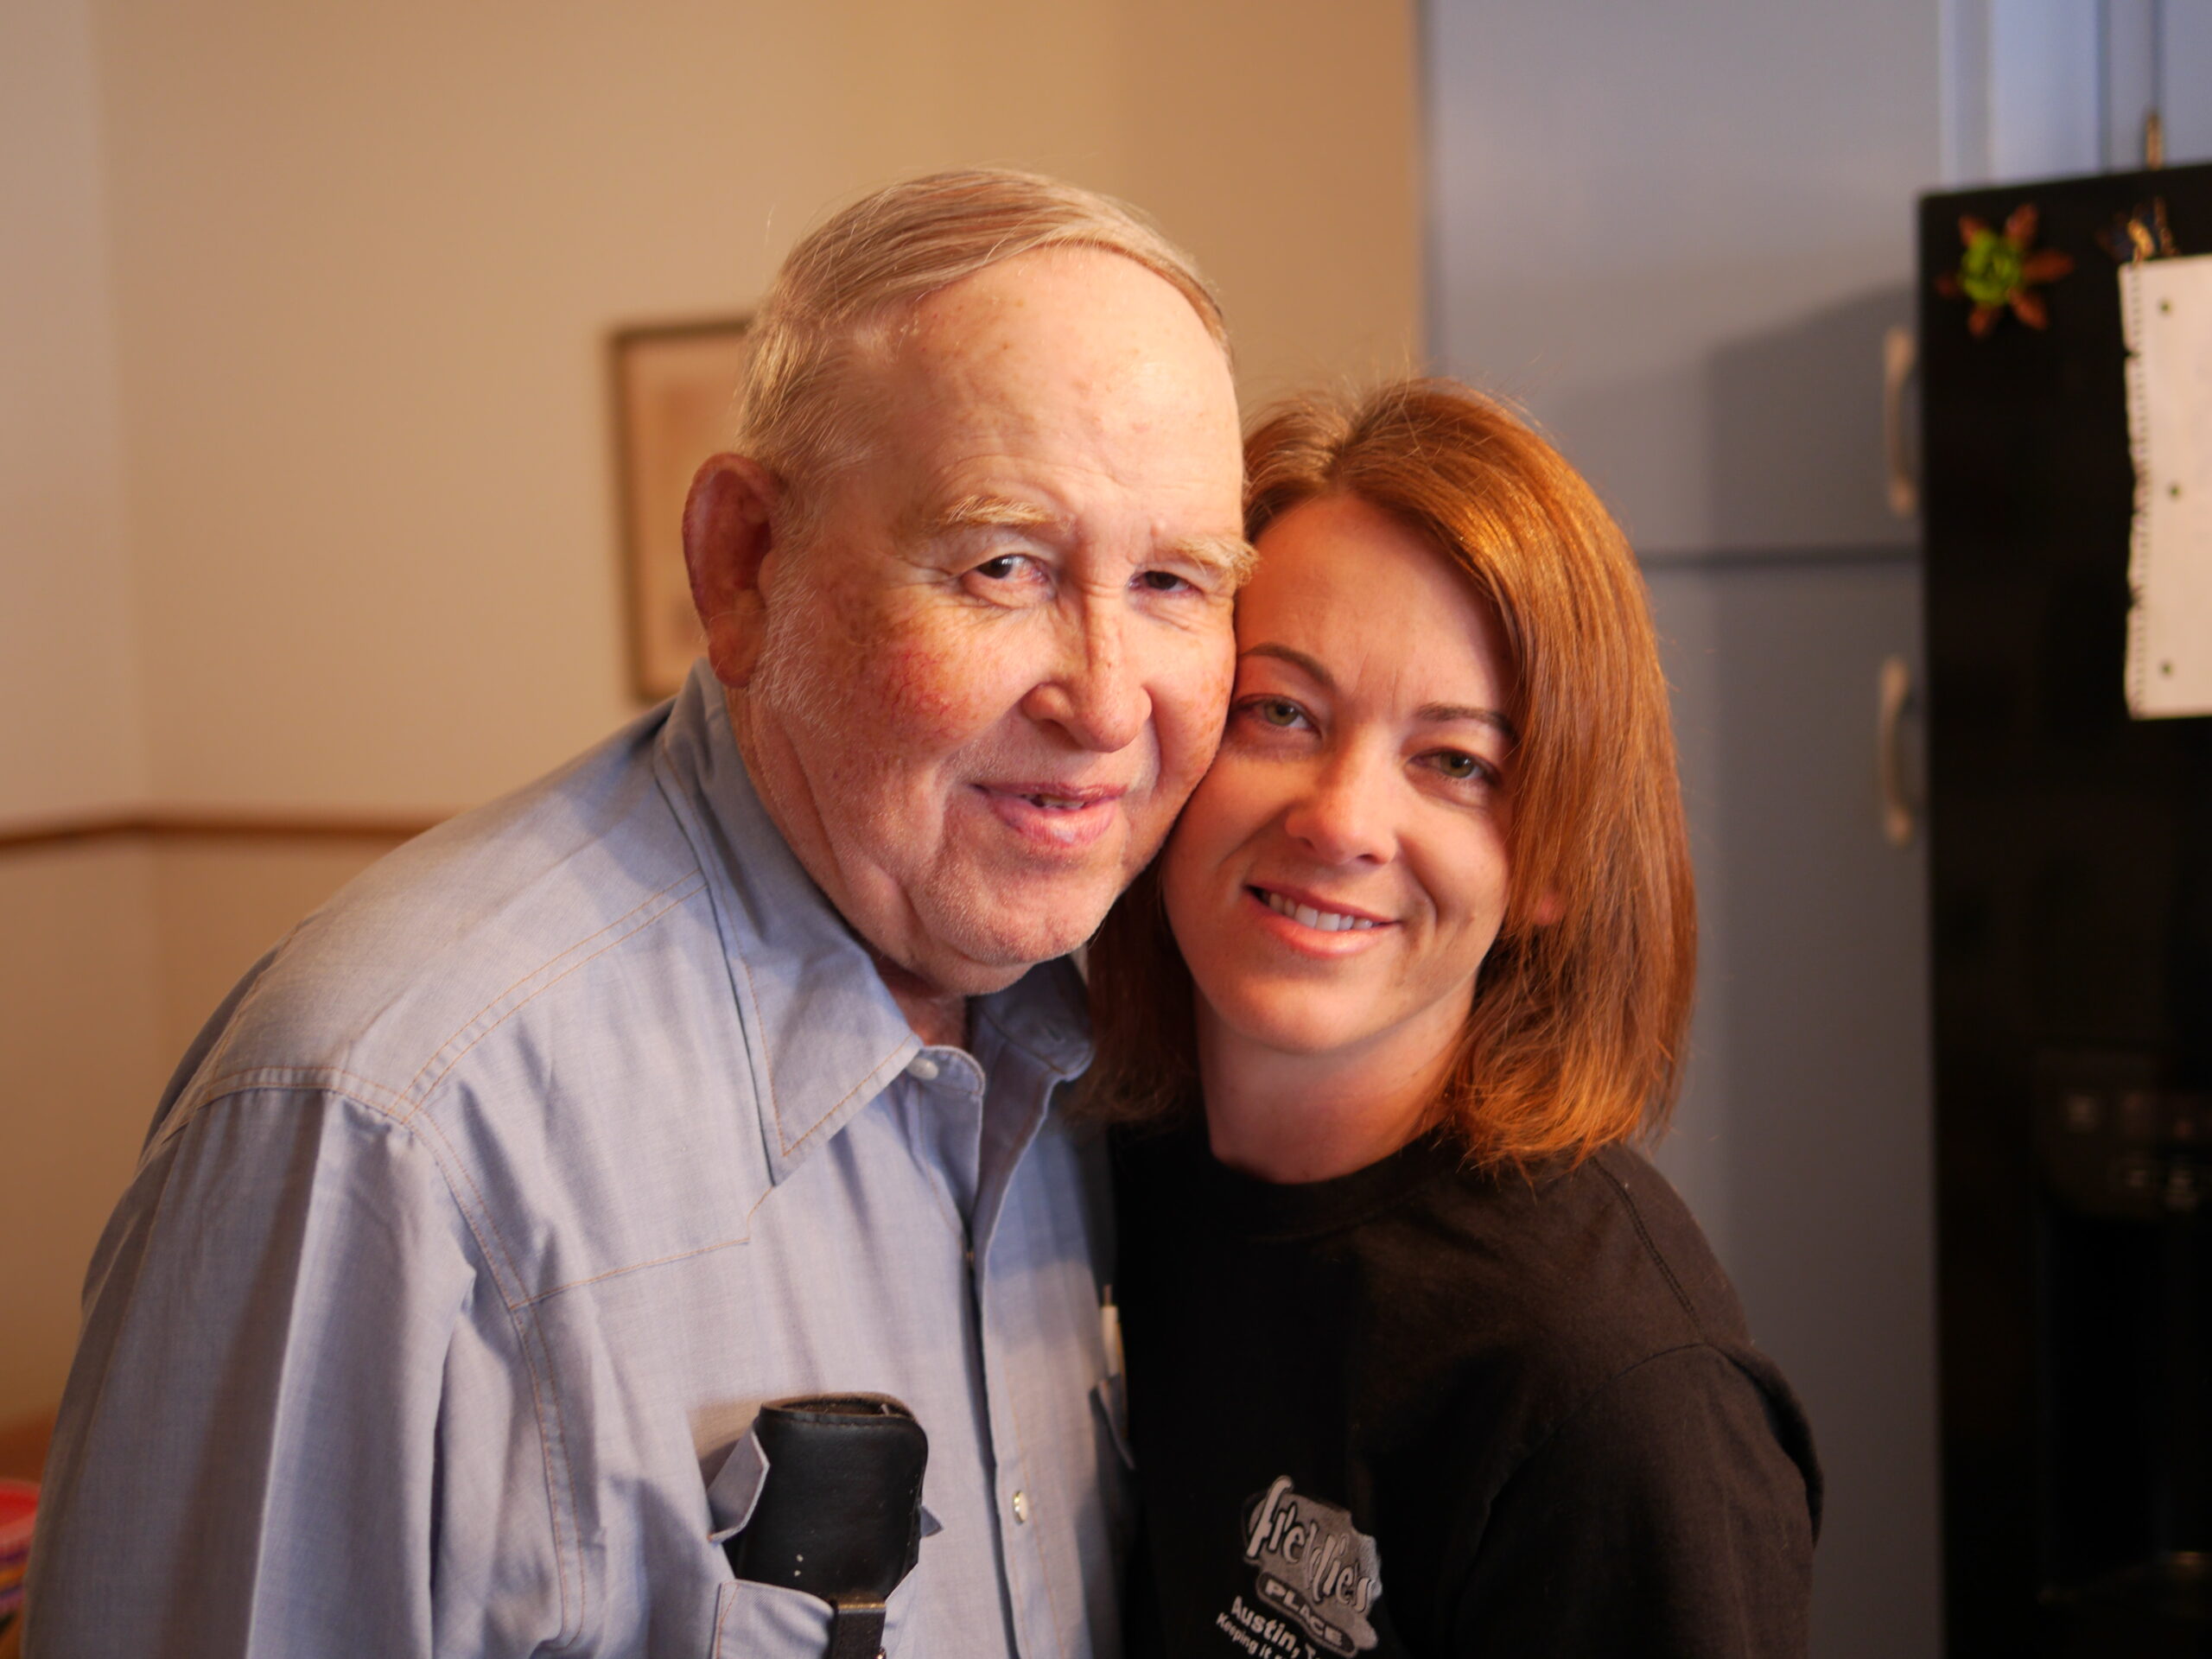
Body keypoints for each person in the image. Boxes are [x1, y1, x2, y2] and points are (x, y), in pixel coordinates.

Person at [22, 169, 1249, 1659]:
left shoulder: (1125, 1032)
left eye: (1176, 581)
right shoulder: (384, 1129)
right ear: (743, 566)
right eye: (1003, 566)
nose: (1108, 700)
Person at [1087, 381, 1821, 1657]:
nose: (1340, 821)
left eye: (1457, 763)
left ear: (1550, 866)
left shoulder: (1613, 1394)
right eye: (1279, 712)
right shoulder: (1081, 1167)